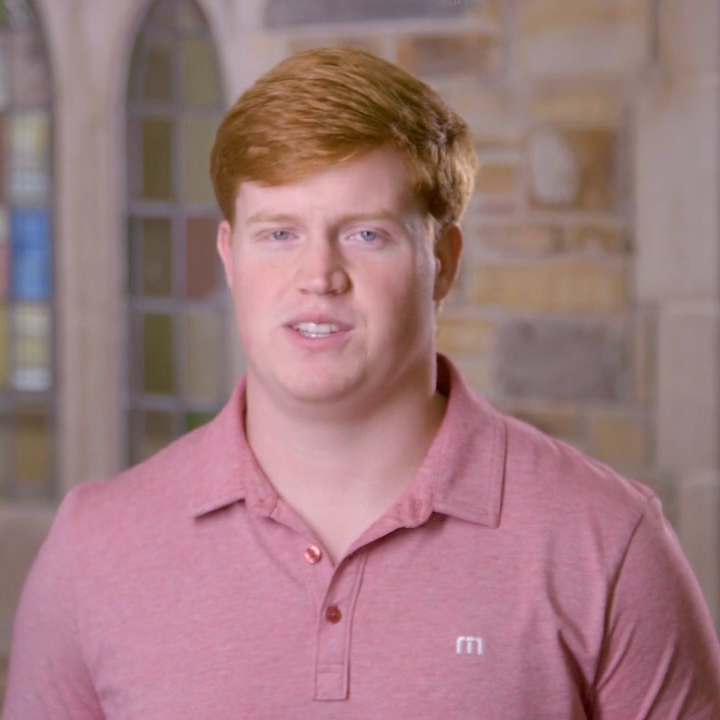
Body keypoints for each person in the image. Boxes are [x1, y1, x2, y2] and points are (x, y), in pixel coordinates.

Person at [4, 47, 720, 719]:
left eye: (365, 234)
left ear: (442, 259)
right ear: (228, 256)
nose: (318, 276)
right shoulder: (93, 547)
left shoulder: (606, 543)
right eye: (279, 233)